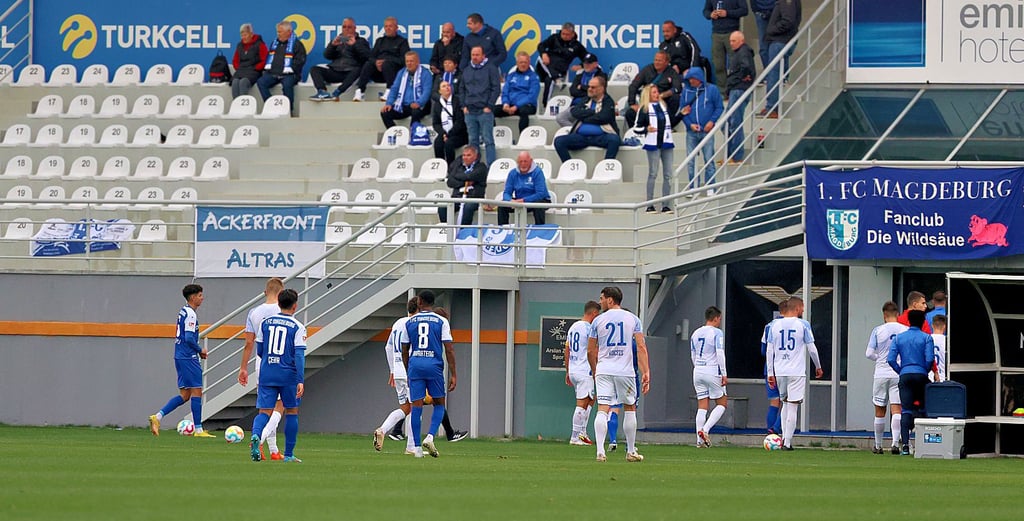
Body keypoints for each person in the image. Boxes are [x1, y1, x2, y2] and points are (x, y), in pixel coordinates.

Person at [389, 306, 468, 445]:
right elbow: (448, 349)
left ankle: (405, 436)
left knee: (413, 404)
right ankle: (415, 441)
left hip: (407, 369)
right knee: (430, 403)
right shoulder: (430, 324)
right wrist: (453, 374)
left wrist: (393, 369)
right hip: (423, 369)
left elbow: (393, 348)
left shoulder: (402, 323)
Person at [588, 286, 650, 462]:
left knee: (603, 408)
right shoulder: (633, 319)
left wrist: (595, 370)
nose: (600, 302)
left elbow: (591, 350)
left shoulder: (597, 321)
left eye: (602, 298)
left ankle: (600, 451)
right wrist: (646, 371)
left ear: (610, 300)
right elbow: (641, 347)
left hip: (604, 369)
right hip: (625, 371)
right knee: (630, 408)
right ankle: (630, 451)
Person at [148, 284, 215, 438]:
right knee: (197, 390)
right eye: (200, 295)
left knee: (185, 395)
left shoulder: (183, 311)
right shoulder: (190, 314)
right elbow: (189, 338)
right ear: (192, 297)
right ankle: (198, 429)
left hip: (179, 355)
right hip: (187, 356)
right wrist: (200, 350)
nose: (202, 298)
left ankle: (157, 417)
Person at [249, 288, 306, 462]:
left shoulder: (265, 323)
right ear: (295, 306)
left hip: (267, 372)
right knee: (291, 411)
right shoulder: (297, 326)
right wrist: (300, 380)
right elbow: (299, 355)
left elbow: (260, 350)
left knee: (264, 411)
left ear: (279, 303)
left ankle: (256, 436)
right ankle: (288, 454)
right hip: (287, 374)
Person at [400, 290, 457, 458]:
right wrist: (454, 374)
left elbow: (404, 349)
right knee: (439, 404)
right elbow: (449, 348)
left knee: (416, 407)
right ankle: (430, 436)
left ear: (419, 302)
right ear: (432, 303)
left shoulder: (410, 322)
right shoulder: (441, 321)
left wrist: (407, 368)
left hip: (415, 366)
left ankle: (417, 449)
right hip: (434, 366)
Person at [238, 277, 286, 460]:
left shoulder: (254, 312)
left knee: (265, 407)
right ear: (281, 293)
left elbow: (249, 343)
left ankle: (273, 450)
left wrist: (243, 368)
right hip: (280, 364)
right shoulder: (283, 310)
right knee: (280, 406)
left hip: (261, 363)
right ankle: (260, 439)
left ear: (265, 292)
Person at [766, 296, 823, 451]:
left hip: (780, 371)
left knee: (784, 403)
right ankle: (787, 442)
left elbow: (769, 350)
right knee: (792, 407)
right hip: (796, 371)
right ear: (797, 308)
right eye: (802, 307)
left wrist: (770, 372)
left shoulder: (774, 325)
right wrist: (817, 366)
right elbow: (812, 348)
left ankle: (784, 437)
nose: (803, 310)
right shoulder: (803, 324)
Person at [373, 298, 420, 454]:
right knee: (416, 408)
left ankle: (382, 429)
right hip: (410, 370)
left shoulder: (398, 323)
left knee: (405, 408)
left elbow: (388, 347)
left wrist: (392, 370)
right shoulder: (415, 325)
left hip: (398, 371)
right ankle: (412, 447)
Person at [888, 309, 937, 455]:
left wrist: (901, 370)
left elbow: (891, 359)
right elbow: (929, 359)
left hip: (905, 375)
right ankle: (924, 444)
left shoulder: (898, 338)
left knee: (906, 410)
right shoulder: (927, 338)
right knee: (923, 408)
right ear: (923, 322)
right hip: (921, 375)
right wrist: (924, 370)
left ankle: (905, 446)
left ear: (908, 321)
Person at [865, 301, 908, 455]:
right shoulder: (905, 330)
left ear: (884, 315)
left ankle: (878, 445)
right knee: (897, 408)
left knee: (879, 410)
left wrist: (880, 358)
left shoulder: (878, 330)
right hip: (898, 372)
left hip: (881, 373)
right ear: (897, 314)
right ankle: (895, 443)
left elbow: (868, 353)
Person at [554, 76, 621, 162]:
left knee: (614, 140)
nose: (589, 89)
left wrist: (584, 117)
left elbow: (604, 117)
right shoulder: (585, 99)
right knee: (559, 141)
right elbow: (575, 112)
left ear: (602, 89)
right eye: (589, 86)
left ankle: (606, 166)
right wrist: (593, 112)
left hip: (601, 137)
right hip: (581, 137)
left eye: (593, 87)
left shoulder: (608, 101)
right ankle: (569, 166)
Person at [680, 67, 724, 193]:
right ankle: (693, 187)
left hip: (706, 131)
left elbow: (719, 107)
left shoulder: (712, 90)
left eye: (692, 78)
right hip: (691, 132)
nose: (691, 81)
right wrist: (690, 125)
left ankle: (710, 187)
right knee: (690, 162)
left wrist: (712, 121)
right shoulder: (686, 91)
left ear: (699, 78)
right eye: (689, 79)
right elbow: (682, 111)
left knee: (709, 160)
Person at [632, 84, 675, 213]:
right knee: (653, 173)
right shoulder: (644, 109)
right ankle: (650, 204)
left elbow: (672, 121)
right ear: (648, 95)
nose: (657, 94)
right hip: (653, 144)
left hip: (667, 143)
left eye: (657, 92)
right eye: (654, 92)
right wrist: (646, 129)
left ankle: (665, 205)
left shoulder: (663, 106)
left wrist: (682, 114)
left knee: (668, 174)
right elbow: (636, 128)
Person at [691, 306, 728, 447]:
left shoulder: (696, 333)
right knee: (722, 403)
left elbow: (693, 354)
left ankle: (699, 441)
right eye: (720, 319)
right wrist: (724, 373)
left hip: (698, 370)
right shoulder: (717, 333)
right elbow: (719, 353)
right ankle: (705, 430)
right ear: (716, 318)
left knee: (702, 405)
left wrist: (697, 367)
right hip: (711, 370)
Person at [308, 18, 370, 101]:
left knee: (359, 69)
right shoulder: (338, 40)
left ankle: (337, 92)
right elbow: (327, 56)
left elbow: (367, 57)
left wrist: (355, 45)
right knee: (314, 69)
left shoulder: (361, 41)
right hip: (335, 70)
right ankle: (322, 92)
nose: (346, 29)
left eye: (349, 27)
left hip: (351, 72)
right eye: (344, 27)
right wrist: (332, 46)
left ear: (355, 29)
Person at [565, 300, 601, 445]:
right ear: (593, 313)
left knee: (591, 399)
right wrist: (596, 367)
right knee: (582, 403)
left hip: (574, 369)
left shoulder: (573, 327)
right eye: (597, 315)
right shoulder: (589, 329)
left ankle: (582, 433)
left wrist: (568, 370)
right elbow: (592, 350)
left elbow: (566, 350)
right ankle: (575, 436)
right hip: (584, 369)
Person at [459, 46, 501, 166]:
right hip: (470, 111)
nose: (475, 57)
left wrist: (490, 105)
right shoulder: (467, 69)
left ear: (483, 56)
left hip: (484, 111)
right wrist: (463, 106)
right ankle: (474, 167)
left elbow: (496, 88)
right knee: (472, 141)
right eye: (473, 55)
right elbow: (461, 89)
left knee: (488, 140)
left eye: (477, 55)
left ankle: (491, 166)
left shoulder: (491, 69)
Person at [760, 0, 801, 119]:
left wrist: (771, 29)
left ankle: (772, 107)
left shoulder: (787, 1)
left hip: (780, 41)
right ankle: (772, 107)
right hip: (782, 41)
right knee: (777, 74)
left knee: (773, 74)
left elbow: (788, 20)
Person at [256, 21, 307, 116]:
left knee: (287, 85)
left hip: (290, 74)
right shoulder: (275, 43)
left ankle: (288, 110)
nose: (278, 34)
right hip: (274, 73)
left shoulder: (297, 44)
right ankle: (270, 105)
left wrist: (289, 70)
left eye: (280, 32)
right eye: (277, 32)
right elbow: (269, 58)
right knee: (261, 82)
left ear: (288, 32)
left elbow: (300, 60)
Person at [353, 17, 410, 102]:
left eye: (390, 26)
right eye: (386, 26)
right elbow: (371, 57)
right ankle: (360, 91)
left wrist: (386, 61)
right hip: (379, 73)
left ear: (396, 28)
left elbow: (403, 61)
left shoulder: (402, 42)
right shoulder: (380, 41)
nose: (388, 28)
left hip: (393, 73)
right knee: (368, 64)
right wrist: (376, 62)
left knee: (387, 63)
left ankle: (390, 91)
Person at [624, 51, 682, 129]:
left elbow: (677, 88)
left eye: (659, 60)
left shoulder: (672, 72)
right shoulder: (647, 70)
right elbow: (633, 86)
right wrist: (632, 103)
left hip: (663, 103)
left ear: (667, 62)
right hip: (647, 102)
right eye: (655, 60)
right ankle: (637, 132)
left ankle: (668, 125)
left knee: (675, 97)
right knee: (630, 113)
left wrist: (662, 95)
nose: (657, 62)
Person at [536, 23, 589, 105]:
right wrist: (543, 53)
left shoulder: (577, 46)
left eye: (567, 34)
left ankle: (546, 105)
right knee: (540, 59)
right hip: (545, 66)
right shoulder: (554, 38)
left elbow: (587, 57)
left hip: (560, 70)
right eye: (563, 33)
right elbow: (541, 45)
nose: (564, 36)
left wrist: (581, 65)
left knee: (549, 80)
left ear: (572, 34)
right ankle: (556, 77)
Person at [703, 0, 748, 95]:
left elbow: (744, 10)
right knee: (718, 64)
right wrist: (710, 14)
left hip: (732, 32)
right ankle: (723, 92)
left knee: (734, 64)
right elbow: (706, 10)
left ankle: (734, 89)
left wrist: (727, 13)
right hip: (716, 33)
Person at [725, 30, 756, 162]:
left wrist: (740, 79)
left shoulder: (743, 52)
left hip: (739, 90)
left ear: (741, 41)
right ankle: (731, 154)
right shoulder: (739, 52)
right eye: (730, 41)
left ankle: (736, 156)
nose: (731, 43)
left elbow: (746, 67)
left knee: (734, 122)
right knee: (727, 122)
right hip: (735, 89)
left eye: (734, 41)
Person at [380, 51, 432, 129]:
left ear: (417, 62)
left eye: (411, 61)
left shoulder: (425, 73)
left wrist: (419, 103)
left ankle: (413, 134)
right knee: (385, 113)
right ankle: (396, 133)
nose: (409, 63)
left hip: (421, 105)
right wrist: (389, 103)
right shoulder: (402, 73)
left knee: (416, 112)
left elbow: (427, 91)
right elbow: (394, 89)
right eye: (407, 61)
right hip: (404, 105)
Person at [498, 151, 551, 226]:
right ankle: (503, 230)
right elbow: (506, 193)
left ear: (531, 161)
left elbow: (540, 193)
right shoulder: (512, 173)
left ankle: (539, 230)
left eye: (525, 161)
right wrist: (510, 201)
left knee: (538, 204)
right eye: (521, 161)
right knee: (502, 205)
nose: (523, 164)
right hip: (520, 201)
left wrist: (524, 200)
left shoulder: (538, 172)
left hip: (537, 200)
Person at [439, 145, 487, 226]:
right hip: (457, 197)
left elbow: (470, 176)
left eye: (468, 155)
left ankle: (463, 232)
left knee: (468, 207)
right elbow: (450, 182)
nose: (465, 157)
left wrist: (457, 177)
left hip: (473, 198)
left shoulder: (481, 167)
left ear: (475, 156)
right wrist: (465, 182)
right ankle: (447, 231)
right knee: (442, 208)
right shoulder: (458, 167)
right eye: (464, 155)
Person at [760, 298, 787, 434]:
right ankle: (776, 428)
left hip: (769, 369)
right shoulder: (793, 324)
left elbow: (763, 350)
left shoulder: (769, 326)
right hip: (786, 368)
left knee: (774, 402)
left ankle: (770, 432)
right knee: (788, 402)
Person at [493, 52, 540, 133]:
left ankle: (523, 138)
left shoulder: (534, 77)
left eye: (525, 62)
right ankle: (492, 136)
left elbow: (532, 96)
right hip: (510, 106)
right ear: (517, 63)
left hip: (527, 106)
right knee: (491, 111)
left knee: (523, 111)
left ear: (529, 63)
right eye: (521, 62)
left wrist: (516, 106)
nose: (523, 64)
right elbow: (505, 91)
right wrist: (505, 103)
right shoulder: (511, 76)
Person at [432, 80, 468, 163]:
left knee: (449, 143)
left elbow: (460, 121)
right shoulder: (438, 104)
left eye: (448, 85)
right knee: (437, 143)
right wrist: (443, 133)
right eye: (444, 86)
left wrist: (449, 134)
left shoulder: (457, 101)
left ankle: (450, 167)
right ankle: (441, 166)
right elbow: (436, 123)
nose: (447, 87)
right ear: (440, 91)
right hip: (444, 133)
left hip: (459, 134)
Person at [231, 23, 268, 99]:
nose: (243, 37)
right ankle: (236, 105)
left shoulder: (260, 44)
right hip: (241, 70)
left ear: (251, 34)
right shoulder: (239, 45)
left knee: (243, 82)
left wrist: (256, 68)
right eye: (242, 35)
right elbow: (235, 60)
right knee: (234, 82)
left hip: (254, 71)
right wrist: (238, 68)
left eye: (245, 35)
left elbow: (265, 60)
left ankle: (243, 106)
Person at [750, 0, 779, 69]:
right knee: (763, 48)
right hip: (760, 14)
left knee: (777, 45)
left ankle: (775, 74)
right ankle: (768, 74)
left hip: (776, 12)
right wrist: (755, 10)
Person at [930, 315, 947, 383]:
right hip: (944, 377)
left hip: (928, 378)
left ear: (932, 325)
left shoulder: (926, 339)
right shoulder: (947, 341)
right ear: (944, 326)